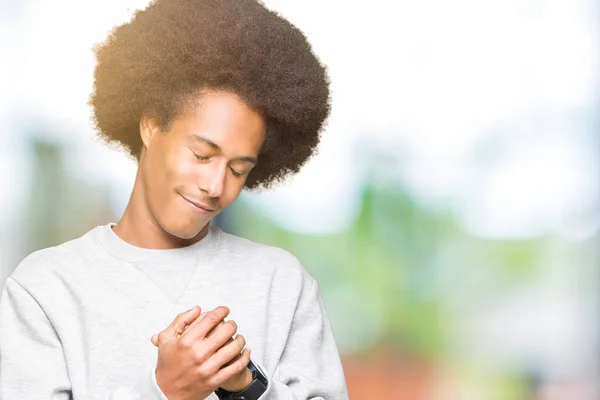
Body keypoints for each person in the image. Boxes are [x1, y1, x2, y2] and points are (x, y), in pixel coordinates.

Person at [0, 0, 349, 399]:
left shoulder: (281, 284)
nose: (216, 185)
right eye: (202, 155)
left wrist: (248, 388)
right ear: (150, 126)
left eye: (238, 169)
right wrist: (166, 391)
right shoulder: (46, 289)